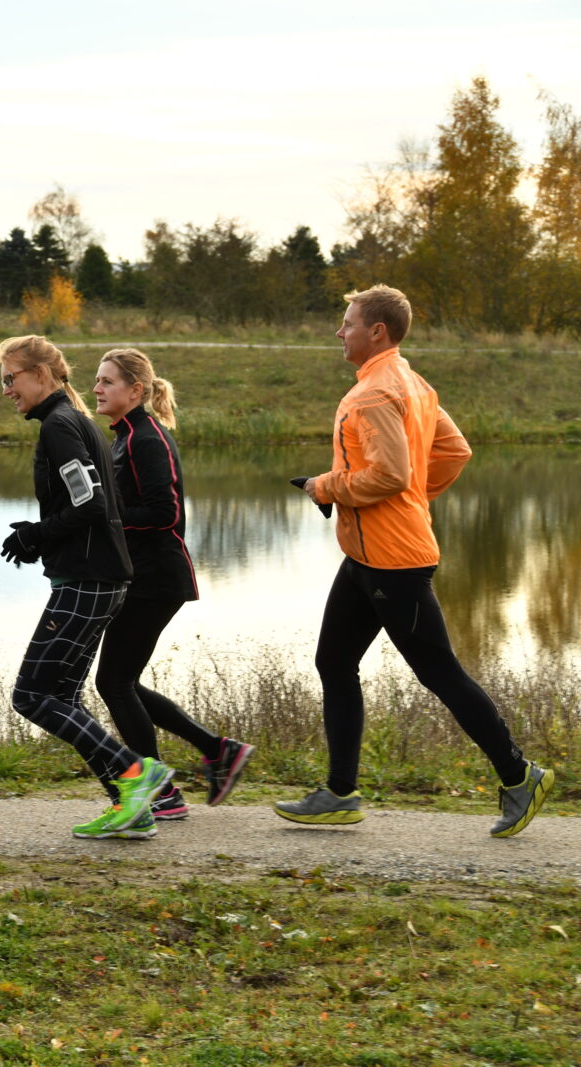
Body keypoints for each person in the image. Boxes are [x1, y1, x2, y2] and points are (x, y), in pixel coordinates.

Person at [275, 285, 551, 836]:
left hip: (391, 563)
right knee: (334, 662)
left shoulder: (372, 395)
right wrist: (410, 503)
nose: (340, 331)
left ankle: (520, 776)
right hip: (368, 555)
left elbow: (390, 476)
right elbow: (453, 452)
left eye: (348, 323)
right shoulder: (413, 383)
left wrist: (327, 486)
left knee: (439, 672)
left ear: (376, 331)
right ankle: (340, 792)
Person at [0, 335, 173, 839]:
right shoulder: (77, 422)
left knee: (31, 695)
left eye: (12, 378)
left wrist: (37, 534)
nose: (7, 390)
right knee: (64, 697)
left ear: (42, 375)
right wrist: (38, 540)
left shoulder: (59, 425)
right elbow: (88, 502)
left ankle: (138, 773)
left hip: (88, 581)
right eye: (3, 381)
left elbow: (90, 503)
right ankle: (130, 807)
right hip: (99, 576)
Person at [91, 348, 253, 819]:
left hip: (157, 577)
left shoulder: (146, 438)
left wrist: (108, 520)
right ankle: (215, 750)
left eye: (107, 382)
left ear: (135, 390)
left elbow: (166, 513)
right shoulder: (125, 436)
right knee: (121, 682)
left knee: (114, 681)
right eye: (97, 381)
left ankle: (161, 792)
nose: (96, 389)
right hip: (140, 576)